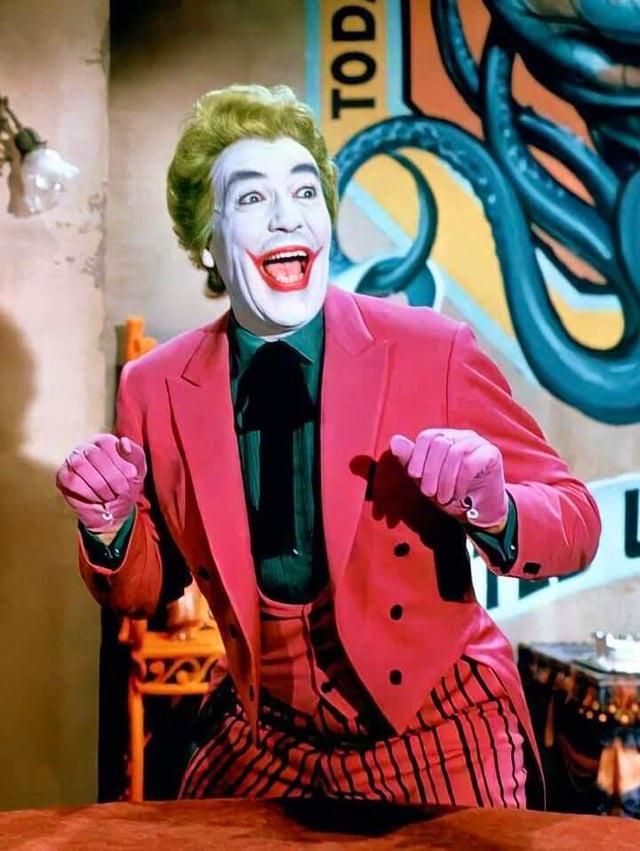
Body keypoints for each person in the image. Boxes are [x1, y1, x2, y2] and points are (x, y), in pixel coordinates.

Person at [56, 84, 601, 809]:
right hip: (266, 736)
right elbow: (148, 588)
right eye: (252, 198)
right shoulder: (154, 385)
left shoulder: (430, 349)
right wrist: (109, 524)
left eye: (305, 191)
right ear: (207, 239)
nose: (288, 215)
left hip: (438, 726)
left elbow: (577, 519)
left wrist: (495, 506)